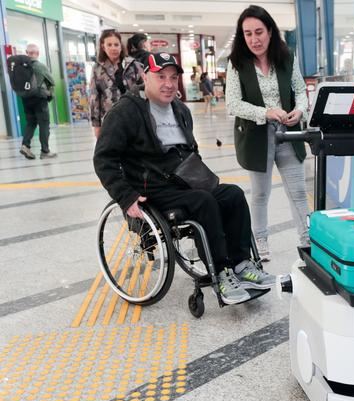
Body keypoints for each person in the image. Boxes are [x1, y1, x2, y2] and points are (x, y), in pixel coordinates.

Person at [93, 53, 275, 305]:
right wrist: (126, 197)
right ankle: (222, 273)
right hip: (153, 187)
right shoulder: (125, 112)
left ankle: (242, 264)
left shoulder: (180, 109)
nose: (168, 83)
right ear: (145, 76)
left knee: (232, 194)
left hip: (185, 180)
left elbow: (192, 149)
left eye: (173, 77)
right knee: (203, 202)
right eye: (161, 77)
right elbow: (104, 159)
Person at [226, 5, 309, 262]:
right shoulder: (237, 63)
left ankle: (307, 238)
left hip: (288, 134)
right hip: (255, 137)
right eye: (248, 34)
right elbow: (233, 104)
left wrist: (299, 110)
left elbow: (301, 91)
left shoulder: (287, 59)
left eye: (259, 32)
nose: (254, 39)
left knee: (297, 190)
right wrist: (266, 112)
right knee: (260, 194)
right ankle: (260, 241)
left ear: (271, 31)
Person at [89, 30, 138, 138]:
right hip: (109, 119)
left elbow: (144, 89)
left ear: (121, 46)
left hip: (133, 117)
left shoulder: (133, 65)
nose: (113, 48)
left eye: (116, 44)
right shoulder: (97, 68)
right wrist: (96, 125)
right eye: (109, 45)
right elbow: (94, 98)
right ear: (103, 46)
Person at [18, 44, 57, 160]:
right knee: (44, 125)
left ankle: (25, 145)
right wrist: (50, 95)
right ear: (37, 53)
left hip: (26, 99)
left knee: (31, 123)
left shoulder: (21, 68)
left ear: (27, 52)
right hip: (39, 99)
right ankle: (45, 151)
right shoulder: (40, 66)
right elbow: (52, 81)